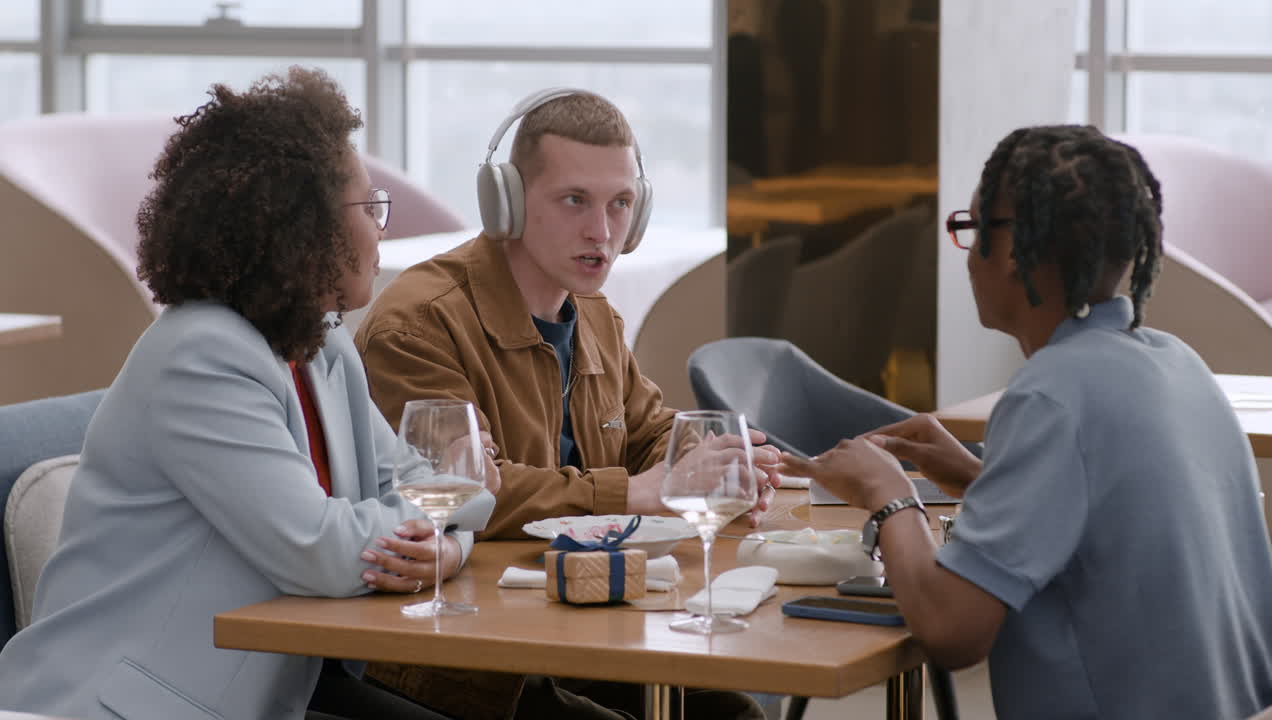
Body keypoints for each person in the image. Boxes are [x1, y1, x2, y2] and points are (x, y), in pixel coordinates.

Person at [0, 67, 496, 720]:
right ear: (300, 228)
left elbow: (433, 483)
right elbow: (319, 550)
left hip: (254, 695)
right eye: (368, 208)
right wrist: (441, 534)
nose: (383, 231)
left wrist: (448, 541)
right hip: (129, 706)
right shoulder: (200, 355)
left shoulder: (319, 339)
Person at [782, 125, 1272, 718]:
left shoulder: (1052, 397)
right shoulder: (1177, 363)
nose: (966, 258)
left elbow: (951, 631)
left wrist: (889, 496)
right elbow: (1103, 523)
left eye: (971, 230)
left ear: (1014, 251)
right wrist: (979, 476)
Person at [354, 89, 773, 719]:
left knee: (733, 710)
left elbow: (648, 433)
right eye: (575, 200)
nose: (602, 232)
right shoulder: (418, 325)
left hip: (582, 622)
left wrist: (715, 470)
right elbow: (463, 495)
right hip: (466, 660)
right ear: (510, 204)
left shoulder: (595, 315)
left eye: (621, 203)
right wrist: (634, 494)